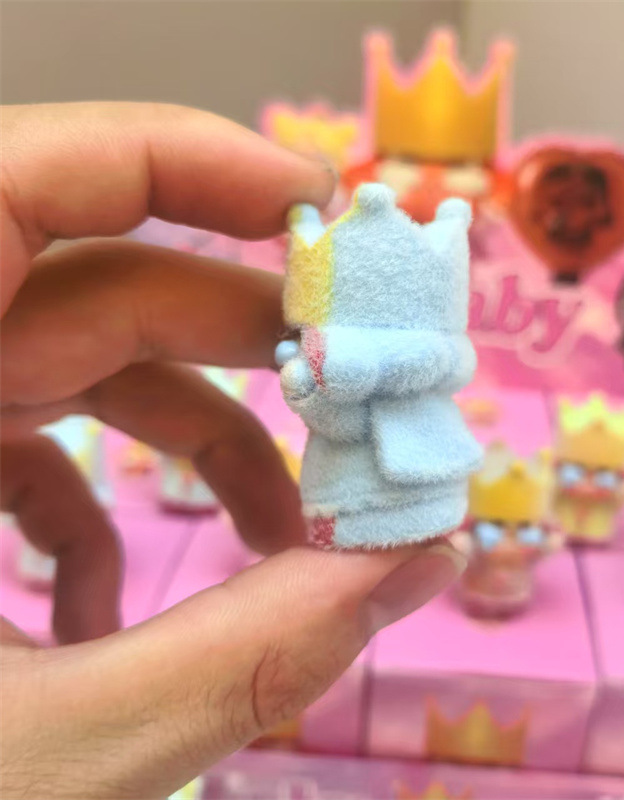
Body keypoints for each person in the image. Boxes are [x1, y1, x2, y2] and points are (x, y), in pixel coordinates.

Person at [0, 102, 465, 798]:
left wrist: (342, 375)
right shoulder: (330, 364)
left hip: (411, 480)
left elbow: (419, 374)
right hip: (349, 485)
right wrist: (319, 383)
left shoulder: (425, 363)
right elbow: (331, 405)